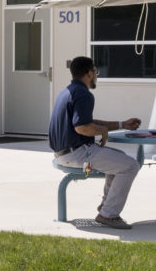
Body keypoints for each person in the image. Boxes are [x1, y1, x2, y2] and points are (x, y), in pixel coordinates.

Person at [48, 55, 142, 230]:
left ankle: (106, 207)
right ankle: (108, 214)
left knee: (119, 158)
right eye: (96, 72)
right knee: (130, 166)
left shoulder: (69, 91)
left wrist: (121, 124)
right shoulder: (84, 94)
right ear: (90, 73)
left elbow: (88, 122)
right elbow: (82, 127)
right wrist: (102, 131)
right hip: (77, 153)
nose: (96, 76)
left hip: (64, 153)